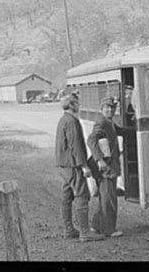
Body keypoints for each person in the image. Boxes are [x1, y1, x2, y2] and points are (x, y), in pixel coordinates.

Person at [55, 93, 105, 242]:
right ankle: (84, 232)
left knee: (67, 196)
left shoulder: (63, 119)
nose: (79, 105)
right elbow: (75, 146)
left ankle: (68, 229)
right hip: (73, 165)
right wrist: (84, 166)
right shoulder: (72, 122)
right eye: (77, 102)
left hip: (64, 165)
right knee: (82, 195)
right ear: (71, 105)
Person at [87, 97, 133, 238]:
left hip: (106, 166)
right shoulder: (101, 122)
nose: (110, 110)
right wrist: (99, 160)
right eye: (107, 107)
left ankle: (96, 225)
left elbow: (119, 130)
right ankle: (109, 229)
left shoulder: (108, 122)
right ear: (102, 109)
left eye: (112, 108)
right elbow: (91, 140)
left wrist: (138, 130)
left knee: (104, 196)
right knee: (109, 198)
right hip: (105, 167)